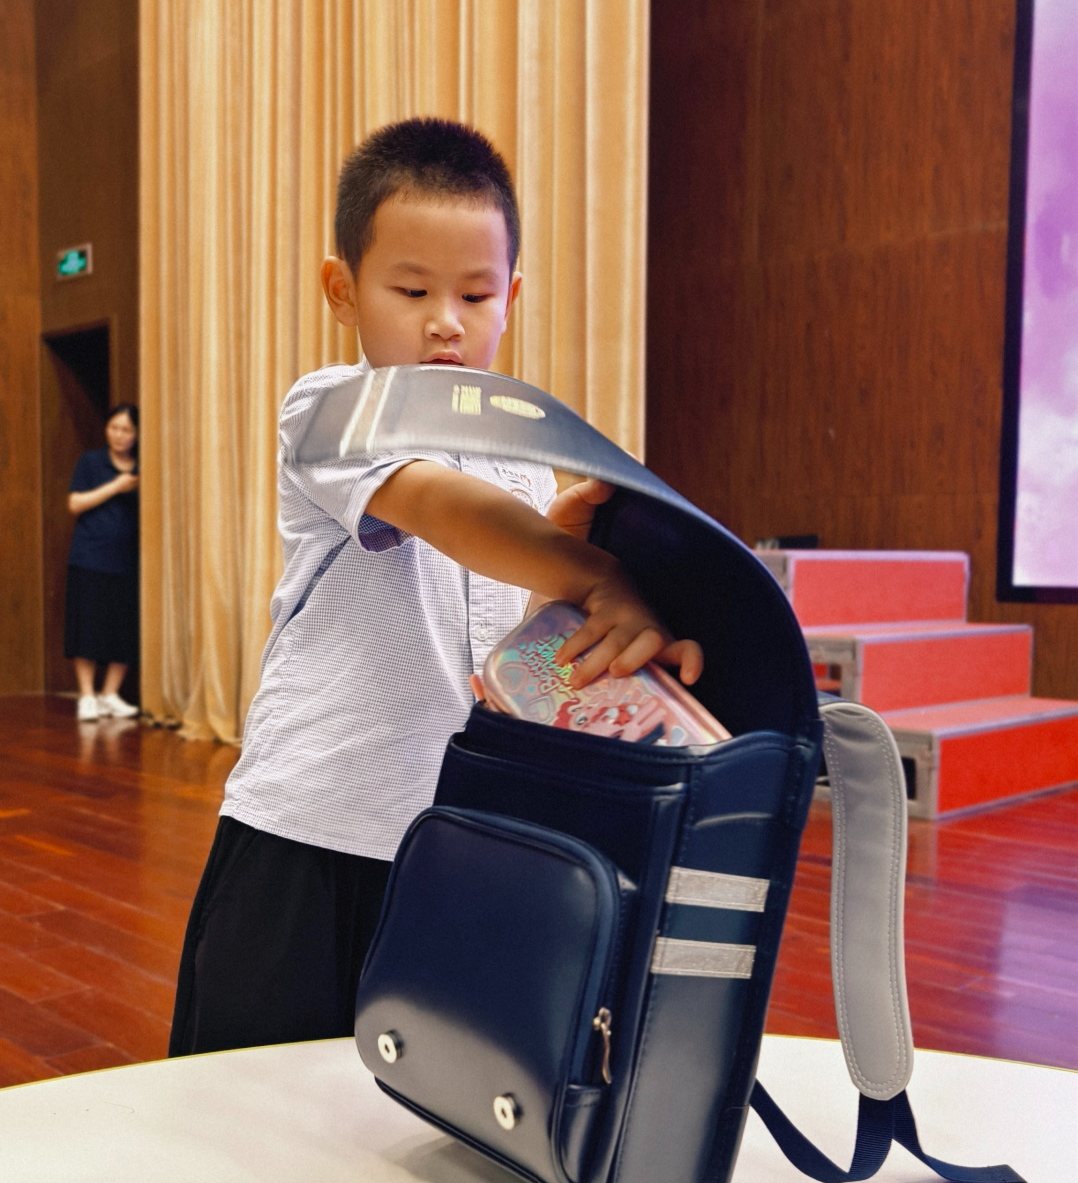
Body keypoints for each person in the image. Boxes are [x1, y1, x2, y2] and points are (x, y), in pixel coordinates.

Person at [169, 117, 703, 1055]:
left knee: (415, 1102)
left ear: (512, 297)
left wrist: (573, 587)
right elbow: (438, 509)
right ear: (343, 290)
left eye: (475, 293)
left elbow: (510, 652)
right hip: (309, 827)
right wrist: (592, 571)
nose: (445, 320)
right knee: (251, 1099)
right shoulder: (331, 408)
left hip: (454, 842)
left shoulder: (524, 463)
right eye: (411, 290)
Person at [65, 403, 141, 722]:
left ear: (137, 434)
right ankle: (87, 695)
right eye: (114, 428)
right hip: (90, 557)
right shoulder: (91, 462)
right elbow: (75, 503)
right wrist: (116, 486)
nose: (119, 435)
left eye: (127, 430)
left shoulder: (142, 466)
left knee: (123, 628)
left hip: (127, 561)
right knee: (87, 628)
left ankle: (110, 694)